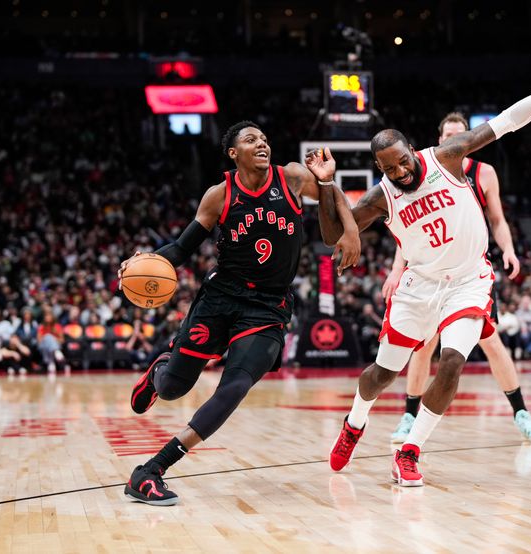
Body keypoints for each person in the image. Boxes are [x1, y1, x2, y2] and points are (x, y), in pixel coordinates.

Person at [317, 59, 531, 486]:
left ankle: (410, 452)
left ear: (411, 149)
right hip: (419, 287)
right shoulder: (382, 198)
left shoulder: (447, 157)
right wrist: (327, 185)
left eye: (401, 162)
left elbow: (510, 119)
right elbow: (332, 234)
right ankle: (354, 424)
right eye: (389, 169)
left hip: (469, 282)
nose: (399, 173)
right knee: (383, 372)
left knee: (451, 362)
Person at [119, 121, 360, 506]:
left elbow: (334, 217)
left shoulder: (293, 177)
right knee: (172, 389)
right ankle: (161, 369)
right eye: (251, 140)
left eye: (264, 138)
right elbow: (180, 251)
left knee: (234, 387)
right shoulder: (219, 196)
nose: (262, 143)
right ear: (234, 153)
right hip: (220, 299)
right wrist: (141, 262)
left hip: (268, 306)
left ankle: (151, 470)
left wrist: (348, 224)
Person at [382, 113, 531, 443]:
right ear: (439, 138)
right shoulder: (422, 171)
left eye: (461, 134)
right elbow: (410, 234)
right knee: (423, 346)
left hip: (470, 273)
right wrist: (396, 270)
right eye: (448, 134)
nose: (454, 138)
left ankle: (521, 413)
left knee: (491, 341)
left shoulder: (484, 173)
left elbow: (497, 220)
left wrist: (510, 250)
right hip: (429, 272)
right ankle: (408, 417)